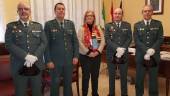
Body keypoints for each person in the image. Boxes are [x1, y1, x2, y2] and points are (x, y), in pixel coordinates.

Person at [5, 1, 47, 96]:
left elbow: (44, 42)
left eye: (26, 9)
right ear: (17, 11)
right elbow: (8, 44)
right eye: (20, 9)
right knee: (20, 92)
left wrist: (35, 57)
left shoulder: (38, 26)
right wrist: (26, 56)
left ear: (30, 11)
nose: (23, 11)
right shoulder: (11, 26)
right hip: (18, 66)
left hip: (36, 65)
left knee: (37, 92)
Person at [44, 2, 79, 96]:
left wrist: (76, 56)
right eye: (59, 9)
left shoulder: (70, 24)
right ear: (55, 11)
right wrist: (48, 60)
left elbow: (75, 41)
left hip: (69, 61)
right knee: (55, 85)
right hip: (55, 62)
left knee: (68, 84)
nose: (61, 10)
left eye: (63, 9)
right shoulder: (48, 25)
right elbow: (45, 45)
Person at [134, 5, 163, 96]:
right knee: (139, 79)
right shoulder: (137, 25)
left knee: (153, 79)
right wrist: (147, 50)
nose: (147, 13)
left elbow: (160, 38)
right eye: (145, 11)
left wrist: (152, 49)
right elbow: (136, 40)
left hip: (154, 56)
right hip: (140, 56)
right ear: (142, 13)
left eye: (149, 11)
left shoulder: (158, 24)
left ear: (152, 12)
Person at [105, 8, 132, 96]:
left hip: (123, 54)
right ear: (113, 15)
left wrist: (123, 48)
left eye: (119, 13)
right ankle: (111, 93)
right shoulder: (108, 26)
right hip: (111, 54)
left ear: (122, 15)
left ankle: (124, 94)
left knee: (123, 75)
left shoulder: (127, 25)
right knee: (112, 76)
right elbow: (107, 39)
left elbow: (129, 38)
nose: (117, 15)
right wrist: (117, 48)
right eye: (115, 13)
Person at [78, 10, 105, 96]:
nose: (89, 17)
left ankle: (94, 93)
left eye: (91, 16)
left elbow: (103, 41)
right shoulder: (81, 28)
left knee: (95, 76)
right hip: (85, 56)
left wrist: (97, 51)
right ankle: (84, 94)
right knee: (86, 77)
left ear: (94, 18)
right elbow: (79, 42)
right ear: (85, 18)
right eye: (88, 16)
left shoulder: (98, 28)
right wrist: (88, 52)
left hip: (96, 56)